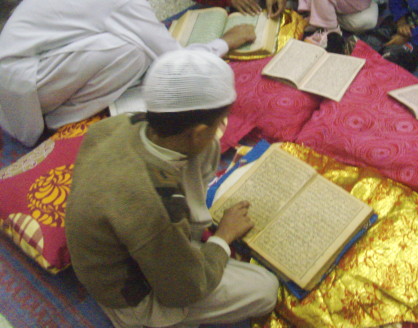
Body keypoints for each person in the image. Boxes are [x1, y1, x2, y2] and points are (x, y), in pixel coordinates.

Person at [66, 49, 279, 328]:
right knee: (265, 288)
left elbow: (197, 147)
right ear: (199, 131)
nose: (222, 128)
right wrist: (221, 239)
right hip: (132, 296)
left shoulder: (119, 124)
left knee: (208, 149)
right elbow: (183, 289)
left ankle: (185, 247)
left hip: (143, 235)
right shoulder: (154, 206)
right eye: (219, 122)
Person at [0, 0, 255, 147]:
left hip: (23, 62)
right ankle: (58, 118)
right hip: (22, 84)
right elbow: (177, 61)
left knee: (135, 50)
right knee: (133, 53)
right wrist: (226, 41)